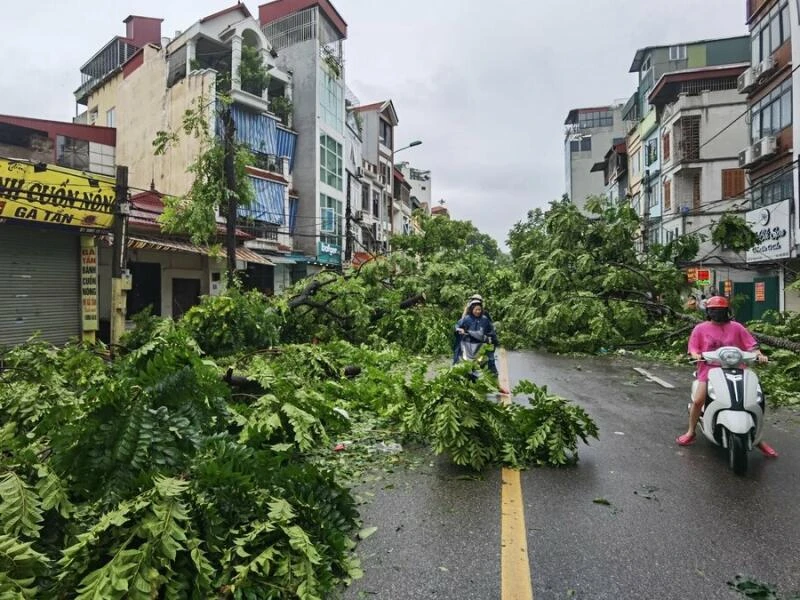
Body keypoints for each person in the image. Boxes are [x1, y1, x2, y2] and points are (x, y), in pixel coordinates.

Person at [676, 296, 778, 457]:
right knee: (698, 400)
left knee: (755, 401)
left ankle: (759, 439)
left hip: (737, 369)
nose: (718, 313)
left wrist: (759, 355)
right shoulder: (700, 329)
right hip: (709, 371)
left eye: (721, 310)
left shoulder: (737, 327)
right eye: (714, 310)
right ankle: (690, 432)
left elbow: (751, 345)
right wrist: (696, 355)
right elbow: (693, 348)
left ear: (727, 311)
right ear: (708, 312)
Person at [455, 299, 499, 375]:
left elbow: (491, 331)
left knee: (489, 361)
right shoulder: (467, 319)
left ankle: (493, 376)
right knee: (460, 359)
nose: (478, 311)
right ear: (472, 309)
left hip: (481, 346)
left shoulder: (485, 319)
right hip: (468, 345)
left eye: (479, 309)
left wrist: (491, 339)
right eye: (476, 309)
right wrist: (459, 330)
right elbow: (458, 326)